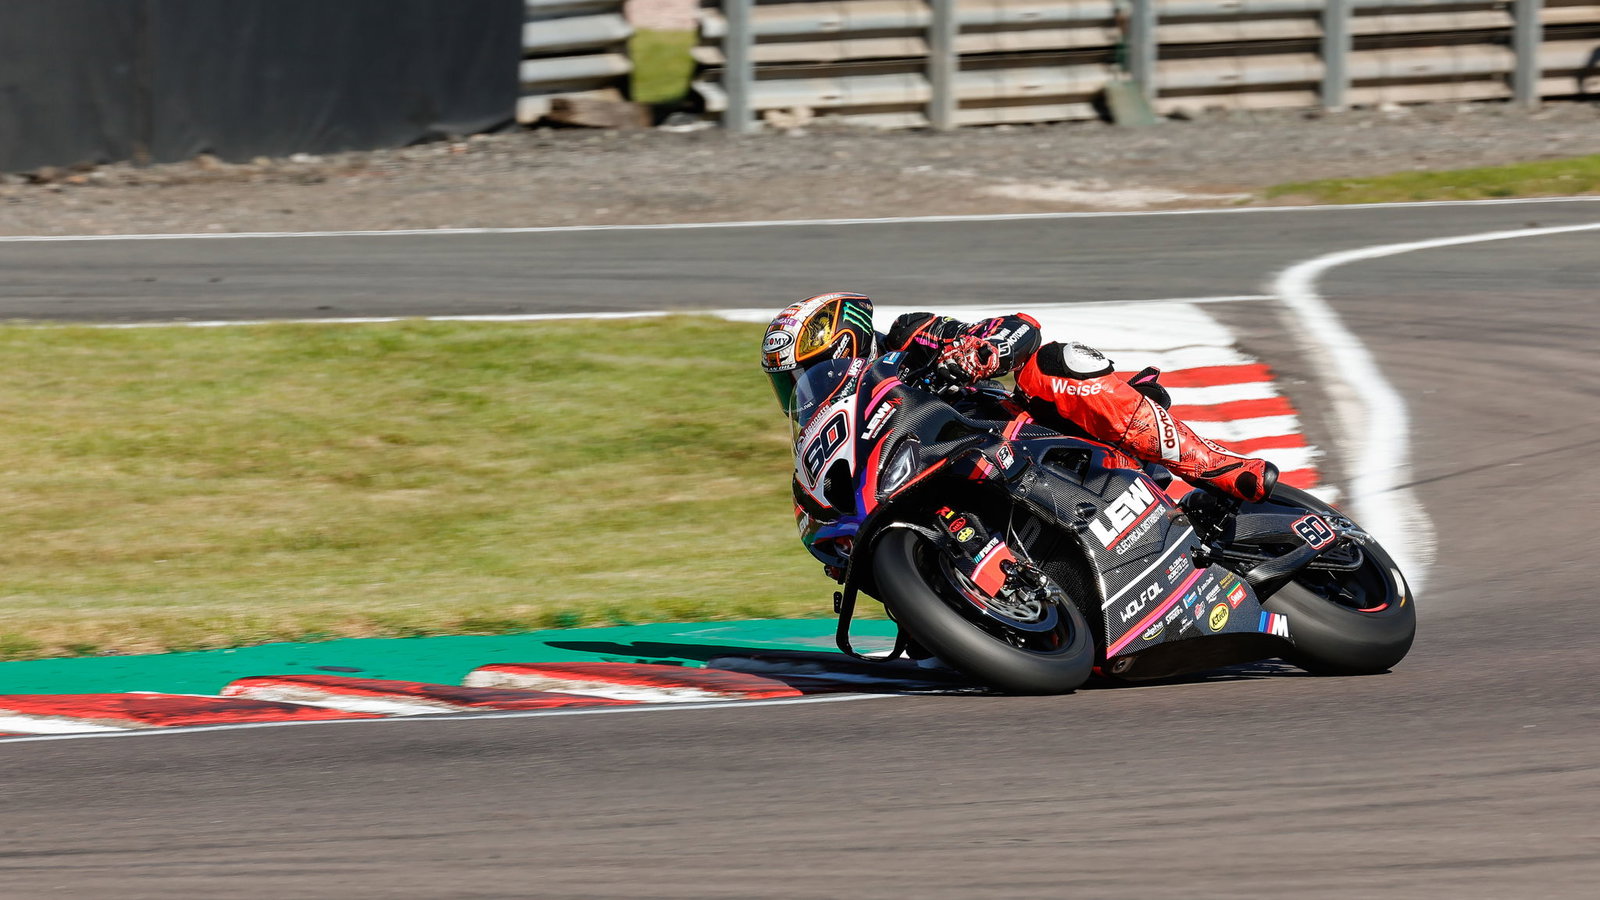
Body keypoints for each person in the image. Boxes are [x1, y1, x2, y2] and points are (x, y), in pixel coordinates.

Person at [762, 291, 1277, 503]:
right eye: (789, 383)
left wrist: (979, 350)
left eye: (803, 373)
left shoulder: (909, 336)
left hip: (1020, 437)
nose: (802, 390)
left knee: (1055, 363)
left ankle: (1217, 465)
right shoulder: (835, 431)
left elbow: (1019, 328)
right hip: (949, 481)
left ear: (843, 342)